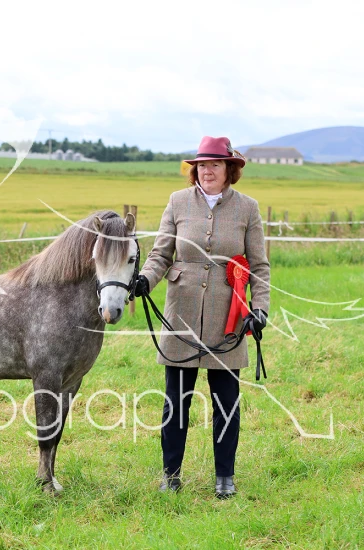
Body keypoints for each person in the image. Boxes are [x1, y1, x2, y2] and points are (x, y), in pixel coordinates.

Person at [134, 136, 270, 498]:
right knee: (176, 401)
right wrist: (146, 279)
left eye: (215, 164)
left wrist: (260, 308)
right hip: (181, 314)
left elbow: (259, 266)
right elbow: (161, 254)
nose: (207, 171)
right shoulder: (177, 201)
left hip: (228, 318)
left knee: (226, 401)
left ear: (229, 169)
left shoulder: (248, 208)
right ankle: (171, 475)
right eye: (202, 165)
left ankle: (225, 476)